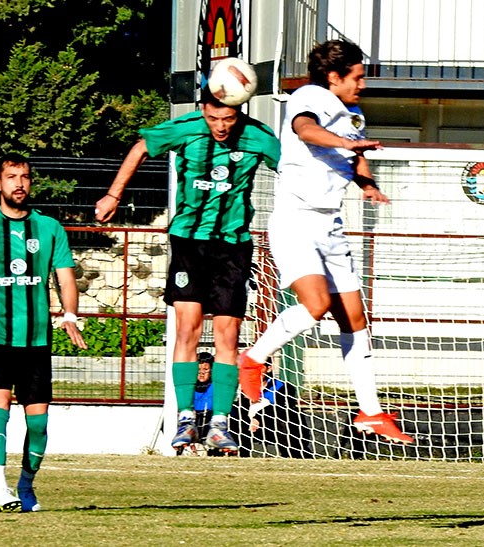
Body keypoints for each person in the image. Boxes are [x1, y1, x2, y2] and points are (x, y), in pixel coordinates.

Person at [238, 40, 414, 445]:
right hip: (295, 221)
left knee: (354, 319)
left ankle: (370, 411)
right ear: (334, 76)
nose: (363, 84)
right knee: (316, 306)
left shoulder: (353, 113)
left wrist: (367, 184)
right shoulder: (310, 95)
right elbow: (306, 130)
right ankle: (254, 360)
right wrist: (349, 145)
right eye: (358, 75)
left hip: (330, 226)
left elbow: (354, 157)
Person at [95, 83, 281, 454]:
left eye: (228, 118)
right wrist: (114, 194)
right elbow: (140, 148)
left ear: (240, 112)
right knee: (187, 330)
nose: (221, 126)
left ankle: (220, 425)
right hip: (189, 243)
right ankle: (184, 420)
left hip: (233, 245)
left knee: (228, 336)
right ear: (203, 109)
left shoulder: (260, 136)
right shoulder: (187, 127)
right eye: (214, 117)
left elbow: (292, 170)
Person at [0, 152, 87, 512]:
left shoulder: (50, 228)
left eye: (24, 176)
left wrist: (70, 313)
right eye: (11, 177)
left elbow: (65, 276)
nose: (19, 183)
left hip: (36, 339)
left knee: (38, 422)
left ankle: (26, 485)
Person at [229, 361, 314, 458]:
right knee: (234, 412)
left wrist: (258, 417)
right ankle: (238, 453)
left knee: (285, 416)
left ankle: (294, 454)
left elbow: (282, 408)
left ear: (269, 368)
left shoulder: (284, 387)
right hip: (251, 427)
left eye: (259, 368)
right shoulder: (242, 388)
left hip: (274, 427)